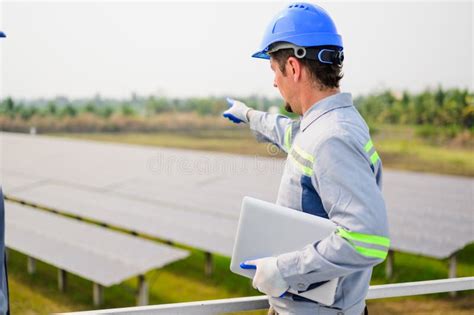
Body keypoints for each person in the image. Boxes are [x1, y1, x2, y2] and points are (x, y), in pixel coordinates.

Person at [223, 3, 389, 315]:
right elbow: (291, 135)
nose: (274, 82)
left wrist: (284, 270)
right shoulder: (326, 126)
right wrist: (248, 115)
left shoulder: (332, 138)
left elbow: (367, 238)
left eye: (274, 70)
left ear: (294, 68)